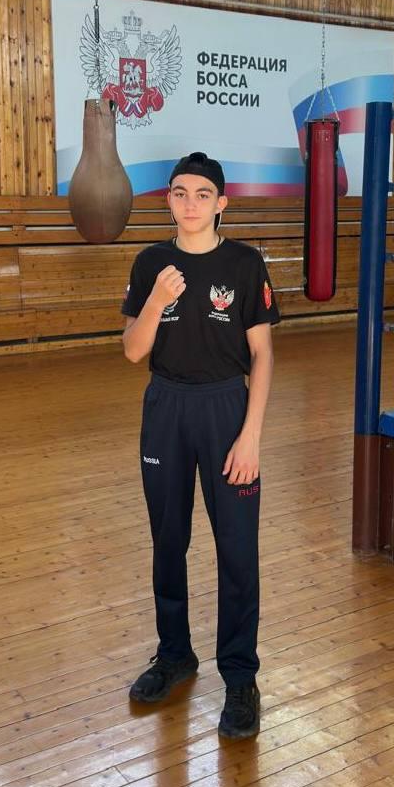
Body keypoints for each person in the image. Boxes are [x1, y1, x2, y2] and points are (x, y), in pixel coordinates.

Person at [121, 152, 280, 739]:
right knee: (169, 539)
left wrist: (251, 435)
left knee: (237, 547)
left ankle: (240, 677)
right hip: (165, 408)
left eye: (202, 194)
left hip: (226, 410)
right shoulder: (150, 263)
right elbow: (133, 350)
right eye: (180, 193)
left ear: (221, 203)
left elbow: (263, 354)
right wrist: (157, 300)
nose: (190, 204)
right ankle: (175, 654)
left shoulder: (244, 264)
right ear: (168, 200)